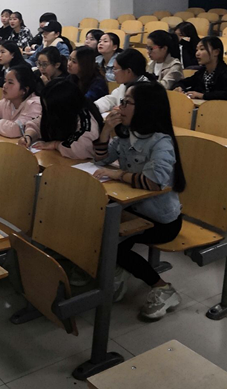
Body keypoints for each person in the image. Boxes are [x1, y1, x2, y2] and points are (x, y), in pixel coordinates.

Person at [92, 81, 185, 320]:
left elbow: (154, 182)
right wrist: (106, 131)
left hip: (161, 221)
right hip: (134, 210)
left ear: (145, 108)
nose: (120, 107)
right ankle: (118, 270)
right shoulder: (127, 135)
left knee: (112, 243)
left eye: (127, 103)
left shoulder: (161, 141)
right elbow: (101, 160)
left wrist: (118, 175)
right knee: (98, 230)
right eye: (121, 102)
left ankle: (163, 288)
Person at [20, 77, 104, 160]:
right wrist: (28, 136)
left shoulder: (86, 119)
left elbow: (81, 149)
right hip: (59, 159)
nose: (47, 111)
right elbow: (40, 123)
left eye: (49, 108)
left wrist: (55, 144)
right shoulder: (59, 112)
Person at [173, 37, 227, 102]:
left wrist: (203, 96)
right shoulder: (201, 73)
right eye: (197, 50)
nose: (197, 53)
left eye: (202, 49)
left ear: (216, 52)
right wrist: (179, 87)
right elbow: (184, 82)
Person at [96, 49, 153, 114]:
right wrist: (94, 107)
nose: (113, 72)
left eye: (115, 69)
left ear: (128, 71)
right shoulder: (126, 84)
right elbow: (110, 99)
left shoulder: (146, 90)